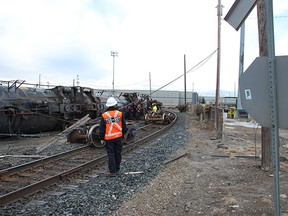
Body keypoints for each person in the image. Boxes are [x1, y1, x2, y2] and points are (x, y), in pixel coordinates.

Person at [99, 97, 128, 177]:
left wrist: (101, 138)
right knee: (118, 153)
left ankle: (112, 171)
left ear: (108, 105)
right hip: (118, 137)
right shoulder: (120, 114)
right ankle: (117, 168)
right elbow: (125, 127)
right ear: (115, 104)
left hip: (109, 139)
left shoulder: (104, 115)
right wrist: (122, 134)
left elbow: (102, 128)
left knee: (111, 154)